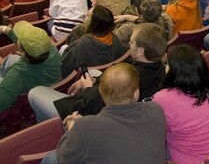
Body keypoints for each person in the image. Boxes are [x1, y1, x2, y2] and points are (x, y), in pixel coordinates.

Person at [36, 63, 173, 164]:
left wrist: (72, 130)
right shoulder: (156, 111)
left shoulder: (86, 128)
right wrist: (84, 126)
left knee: (50, 161)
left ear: (101, 92)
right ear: (136, 92)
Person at [30, 22, 168, 123]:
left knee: (35, 92)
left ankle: (57, 132)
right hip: (112, 106)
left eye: (131, 42)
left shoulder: (125, 77)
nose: (129, 45)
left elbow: (90, 104)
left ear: (140, 51)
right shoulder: (162, 72)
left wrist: (88, 88)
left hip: (84, 115)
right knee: (95, 72)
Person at [0, 21, 61, 112]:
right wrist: (6, 30)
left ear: (22, 52)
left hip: (25, 98)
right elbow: (30, 46)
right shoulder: (52, 49)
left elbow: (2, 103)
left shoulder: (17, 74)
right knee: (11, 59)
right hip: (46, 84)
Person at [61, 5, 127, 77]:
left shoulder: (81, 45)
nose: (85, 17)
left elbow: (64, 70)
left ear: (94, 24)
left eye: (87, 15)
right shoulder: (115, 39)